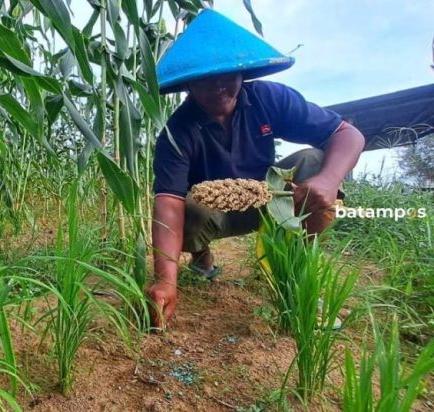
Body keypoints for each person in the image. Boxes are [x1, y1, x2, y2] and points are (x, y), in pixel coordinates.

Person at [147, 9, 365, 329]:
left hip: (268, 197)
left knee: (313, 161)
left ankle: (296, 274)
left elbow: (348, 135)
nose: (218, 86)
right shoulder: (176, 133)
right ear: (188, 84)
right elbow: (168, 203)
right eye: (205, 79)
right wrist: (165, 280)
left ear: (242, 73)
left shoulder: (268, 98)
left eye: (226, 75)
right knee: (190, 210)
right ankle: (201, 255)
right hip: (214, 211)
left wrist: (328, 180)